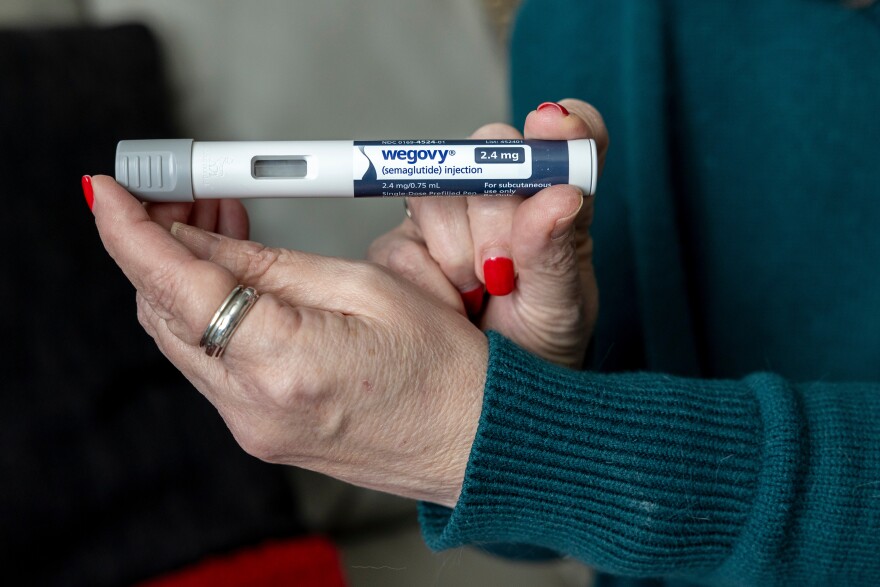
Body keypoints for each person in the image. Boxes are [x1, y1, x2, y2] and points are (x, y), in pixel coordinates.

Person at [84, 0, 880, 585]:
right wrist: (522, 376)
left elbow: (588, 458)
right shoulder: (573, 23)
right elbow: (568, 528)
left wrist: (489, 432)